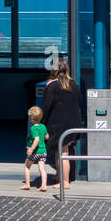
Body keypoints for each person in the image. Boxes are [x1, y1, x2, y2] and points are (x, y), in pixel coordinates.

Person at [42, 58, 84, 189]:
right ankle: (58, 176)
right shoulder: (75, 84)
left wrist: (43, 124)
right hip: (72, 123)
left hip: (57, 124)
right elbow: (79, 103)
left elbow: (46, 107)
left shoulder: (52, 86)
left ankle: (64, 182)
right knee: (61, 150)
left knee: (62, 152)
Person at [23, 106, 49, 192]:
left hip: (35, 152)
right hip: (43, 151)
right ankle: (44, 185)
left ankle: (27, 184)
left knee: (27, 166)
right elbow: (47, 137)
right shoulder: (43, 127)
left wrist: (31, 149)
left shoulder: (33, 128)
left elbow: (36, 139)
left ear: (31, 119)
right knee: (42, 168)